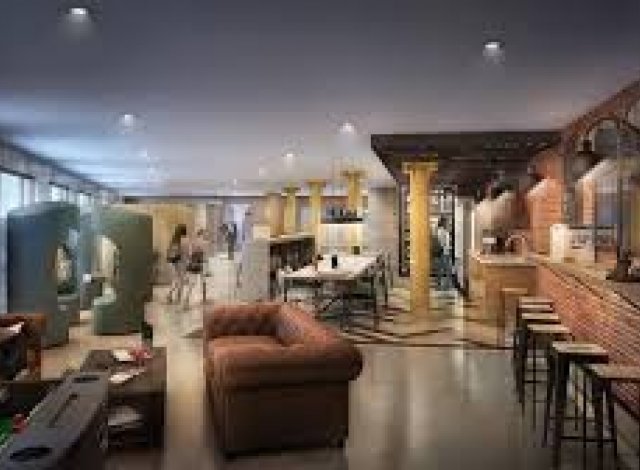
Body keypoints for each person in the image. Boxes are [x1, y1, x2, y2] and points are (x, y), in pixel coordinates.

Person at [182, 229, 208, 309]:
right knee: (198, 282)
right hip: (199, 264)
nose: (206, 235)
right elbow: (204, 254)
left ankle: (202, 298)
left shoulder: (193, 242)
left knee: (198, 281)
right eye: (205, 234)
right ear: (201, 234)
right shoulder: (204, 242)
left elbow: (189, 254)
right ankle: (187, 300)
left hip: (193, 263)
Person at [166, 224, 189, 304]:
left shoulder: (174, 239)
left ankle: (170, 294)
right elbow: (187, 253)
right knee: (181, 281)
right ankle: (178, 298)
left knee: (175, 280)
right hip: (182, 262)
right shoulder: (185, 240)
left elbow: (169, 251)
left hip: (173, 261)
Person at [435, 217, 451, 290]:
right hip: (444, 252)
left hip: (443, 252)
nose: (448, 223)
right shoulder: (442, 231)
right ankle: (446, 285)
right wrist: (447, 247)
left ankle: (440, 284)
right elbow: (443, 242)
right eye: (447, 222)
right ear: (443, 222)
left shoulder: (440, 230)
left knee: (441, 269)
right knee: (447, 269)